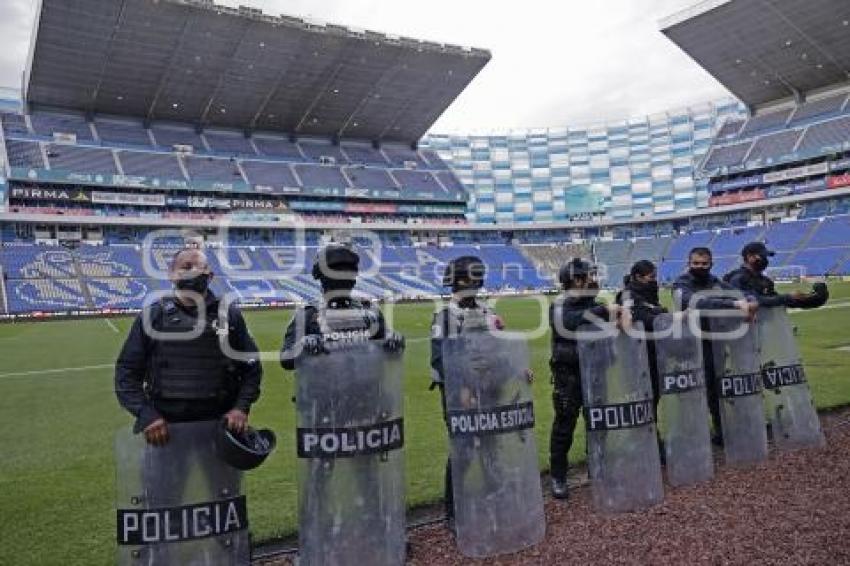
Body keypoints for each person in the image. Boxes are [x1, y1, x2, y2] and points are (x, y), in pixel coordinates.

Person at [115, 247, 262, 443]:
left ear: (209, 276)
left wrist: (241, 408)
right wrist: (146, 415)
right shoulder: (152, 316)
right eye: (186, 266)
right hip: (164, 429)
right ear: (171, 274)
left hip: (219, 428)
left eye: (198, 267)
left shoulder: (229, 316)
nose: (192, 271)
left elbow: (252, 367)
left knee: (218, 476)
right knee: (163, 476)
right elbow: (126, 372)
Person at [429, 255, 533, 524]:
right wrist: (462, 387)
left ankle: (494, 493)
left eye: (476, 276)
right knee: (463, 449)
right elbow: (440, 359)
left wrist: (517, 368)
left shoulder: (487, 312)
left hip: (490, 389)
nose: (474, 282)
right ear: (456, 280)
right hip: (460, 394)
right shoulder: (445, 316)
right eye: (469, 277)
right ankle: (453, 513)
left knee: (490, 444)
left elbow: (497, 349)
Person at [549, 258, 621, 499]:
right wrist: (604, 311)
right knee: (564, 427)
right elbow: (567, 323)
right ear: (576, 279)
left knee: (600, 424)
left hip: (597, 372)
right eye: (589, 276)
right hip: (569, 375)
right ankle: (558, 477)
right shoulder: (559, 305)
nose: (594, 280)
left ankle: (598, 467)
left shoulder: (597, 304)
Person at [672, 246, 757, 445]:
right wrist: (735, 305)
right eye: (696, 263)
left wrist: (751, 303)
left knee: (718, 386)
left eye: (704, 264)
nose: (700, 267)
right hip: (689, 344)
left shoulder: (716, 282)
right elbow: (695, 303)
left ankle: (722, 430)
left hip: (715, 343)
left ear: (711, 264)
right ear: (688, 264)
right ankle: (692, 436)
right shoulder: (680, 283)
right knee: (690, 392)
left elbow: (742, 295)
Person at [279, 243, 404, 368]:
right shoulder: (308, 314)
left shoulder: (370, 310)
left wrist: (394, 339)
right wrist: (302, 346)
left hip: (366, 384)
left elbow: (391, 351)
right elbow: (285, 359)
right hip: (322, 385)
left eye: (347, 271)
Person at [616, 260, 667, 426]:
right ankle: (642, 440)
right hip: (636, 355)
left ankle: (650, 436)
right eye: (651, 277)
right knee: (641, 397)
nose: (654, 280)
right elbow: (642, 319)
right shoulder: (627, 295)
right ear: (638, 277)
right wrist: (662, 315)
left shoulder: (649, 294)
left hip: (653, 352)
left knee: (653, 396)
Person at [724, 241, 829, 309]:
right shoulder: (737, 279)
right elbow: (752, 300)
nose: (765, 260)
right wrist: (787, 297)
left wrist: (814, 297)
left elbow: (776, 300)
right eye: (762, 256)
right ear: (750, 257)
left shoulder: (765, 281)